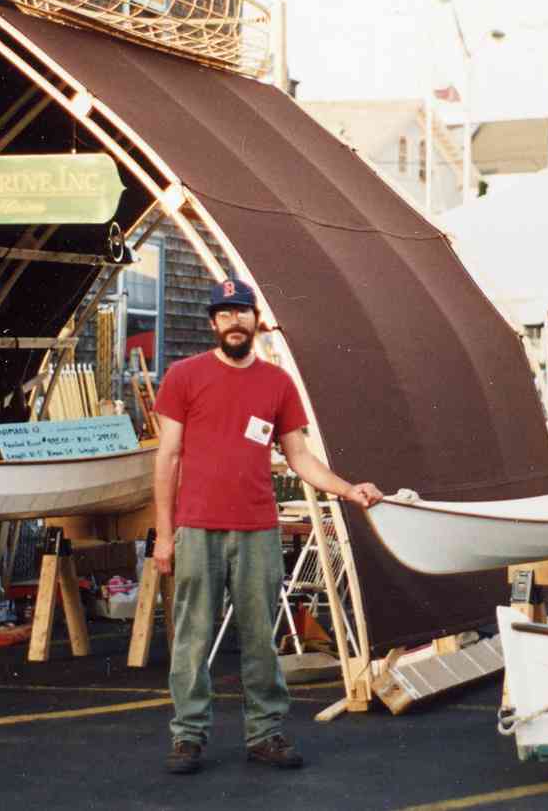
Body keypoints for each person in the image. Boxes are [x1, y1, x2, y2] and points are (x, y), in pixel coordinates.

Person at [153, 276, 384, 775]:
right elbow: (167, 459)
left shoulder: (278, 384)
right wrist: (164, 535)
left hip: (257, 529)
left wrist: (348, 489)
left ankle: (265, 734)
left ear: (256, 320)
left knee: (261, 638)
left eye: (243, 311)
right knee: (193, 636)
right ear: (213, 322)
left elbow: (300, 456)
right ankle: (187, 735)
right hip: (197, 528)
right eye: (225, 313)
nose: (235, 321)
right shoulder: (183, 376)